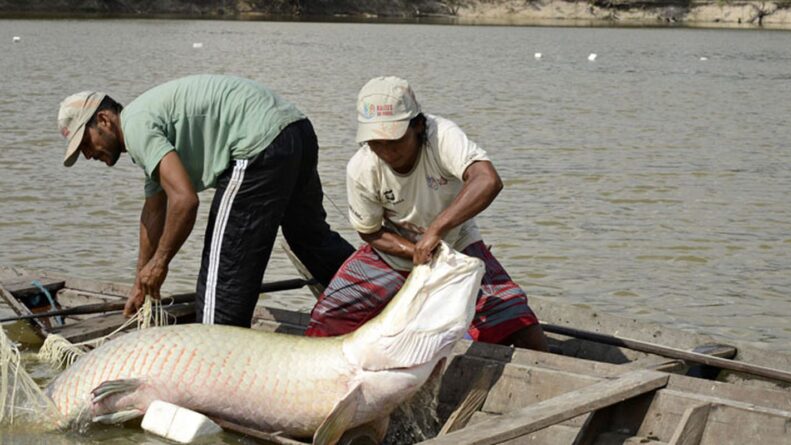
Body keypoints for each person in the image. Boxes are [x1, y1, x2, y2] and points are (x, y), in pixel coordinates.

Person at [57, 74, 354, 327]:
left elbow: (185, 201)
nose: (88, 155)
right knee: (310, 238)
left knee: (222, 281)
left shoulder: (136, 127)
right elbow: (153, 210)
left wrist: (160, 264)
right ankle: (378, 293)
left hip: (258, 145)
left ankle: (216, 368)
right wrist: (140, 280)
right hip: (295, 130)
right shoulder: (145, 124)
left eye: (86, 143)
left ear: (104, 120)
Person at [305, 76, 548, 351]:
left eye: (394, 140)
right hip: (392, 252)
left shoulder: (441, 136)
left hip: (456, 245)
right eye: (375, 141)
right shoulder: (361, 167)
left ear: (418, 126)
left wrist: (436, 231)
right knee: (326, 319)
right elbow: (370, 231)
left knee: (520, 326)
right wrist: (414, 251)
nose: (385, 150)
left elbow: (487, 179)